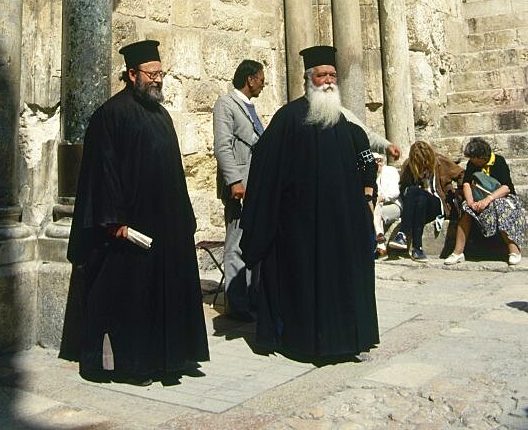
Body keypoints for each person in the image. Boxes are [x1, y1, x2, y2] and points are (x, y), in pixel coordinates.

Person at [61, 39, 209, 385]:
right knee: (134, 296)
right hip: (131, 229)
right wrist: (114, 222)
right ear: (132, 74)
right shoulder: (109, 116)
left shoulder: (161, 115)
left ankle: (170, 358)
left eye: (161, 73)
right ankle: (134, 365)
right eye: (152, 73)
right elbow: (103, 171)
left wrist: (185, 218)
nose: (158, 79)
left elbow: (173, 171)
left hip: (168, 227)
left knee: (166, 294)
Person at [239, 45, 379, 362]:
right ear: (309, 79)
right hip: (300, 230)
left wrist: (364, 207)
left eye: (332, 75)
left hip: (340, 228)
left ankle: (345, 341)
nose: (328, 80)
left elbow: (360, 172)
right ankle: (301, 343)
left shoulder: (344, 126)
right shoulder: (288, 119)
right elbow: (264, 165)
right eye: (322, 75)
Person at [213, 59, 265, 320]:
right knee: (235, 243)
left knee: (253, 242)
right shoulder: (226, 104)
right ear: (250, 79)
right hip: (240, 187)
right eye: (261, 78)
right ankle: (236, 304)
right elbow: (223, 146)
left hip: (256, 186)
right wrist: (235, 181)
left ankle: (252, 296)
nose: (263, 84)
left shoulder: (250, 107)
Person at [444, 136, 526, 267]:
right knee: (466, 209)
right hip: (478, 199)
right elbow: (466, 184)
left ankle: (514, 251)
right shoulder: (472, 165)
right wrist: (471, 202)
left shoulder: (498, 161)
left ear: (481, 157)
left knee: (499, 207)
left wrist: (488, 200)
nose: (471, 161)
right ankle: (458, 252)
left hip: (500, 198)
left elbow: (506, 187)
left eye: (473, 158)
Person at [388, 141, 463, 262]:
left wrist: (458, 192)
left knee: (414, 191)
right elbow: (403, 188)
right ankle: (417, 249)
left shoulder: (440, 161)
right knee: (419, 198)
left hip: (438, 204)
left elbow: (461, 174)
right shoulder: (408, 165)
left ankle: (402, 233)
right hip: (419, 206)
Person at [373, 153, 401, 258]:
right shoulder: (371, 174)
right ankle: (380, 242)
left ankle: (380, 242)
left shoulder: (390, 171)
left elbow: (394, 192)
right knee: (376, 208)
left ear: (381, 161)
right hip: (378, 208)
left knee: (376, 207)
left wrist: (382, 197)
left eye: (377, 162)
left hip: (393, 205)